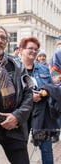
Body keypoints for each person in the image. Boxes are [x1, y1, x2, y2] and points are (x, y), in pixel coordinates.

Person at [0, 26, 33, 164]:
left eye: (3, 38)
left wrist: (17, 116)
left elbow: (28, 94)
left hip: (14, 127)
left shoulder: (17, 65)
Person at [19, 36, 60, 164]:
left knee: (46, 148)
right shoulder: (14, 68)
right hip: (22, 115)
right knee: (20, 149)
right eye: (30, 48)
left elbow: (55, 86)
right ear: (21, 50)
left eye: (36, 49)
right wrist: (30, 97)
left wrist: (45, 92)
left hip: (42, 116)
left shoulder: (44, 68)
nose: (33, 51)